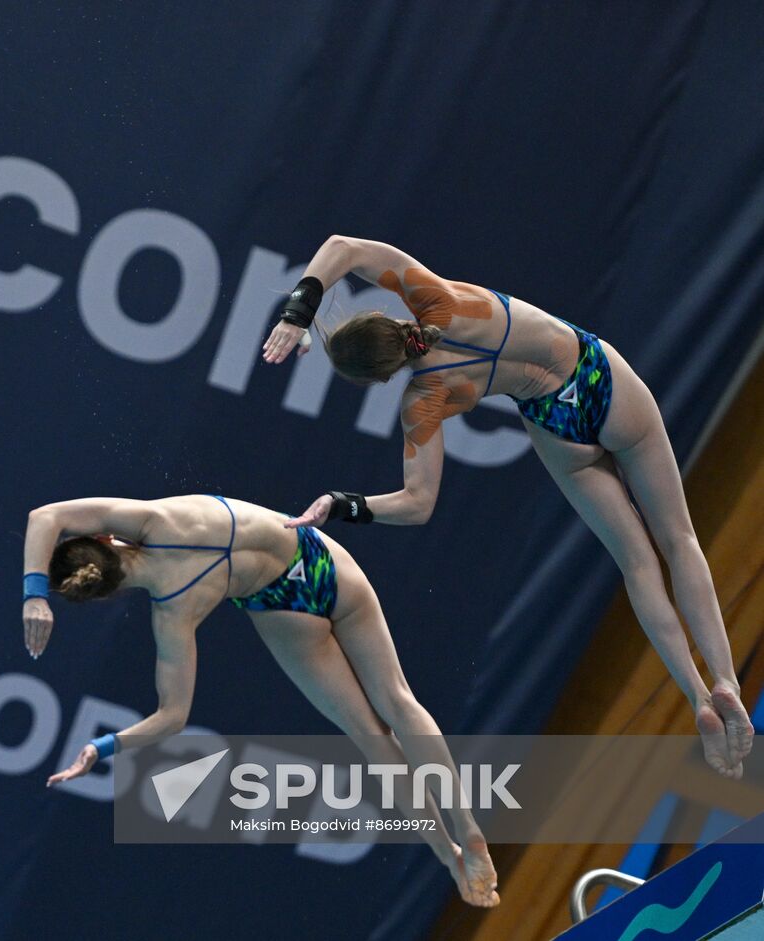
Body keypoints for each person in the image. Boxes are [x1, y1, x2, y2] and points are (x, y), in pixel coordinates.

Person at [260, 235, 752, 778]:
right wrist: (298, 313)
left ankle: (697, 695)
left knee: (636, 561)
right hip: (597, 377)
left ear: (381, 375)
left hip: (557, 427)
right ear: (383, 319)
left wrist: (342, 504)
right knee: (678, 539)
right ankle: (726, 679)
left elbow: (418, 504)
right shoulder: (437, 299)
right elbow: (343, 248)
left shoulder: (425, 398)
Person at [21, 494, 499, 907]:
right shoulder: (154, 520)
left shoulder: (173, 615)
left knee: (370, 738)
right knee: (398, 700)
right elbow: (46, 516)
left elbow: (172, 718)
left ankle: (449, 857)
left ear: (104, 593)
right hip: (318, 562)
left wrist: (102, 748)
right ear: (105, 539)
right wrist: (33, 597)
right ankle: (467, 826)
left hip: (283, 610)